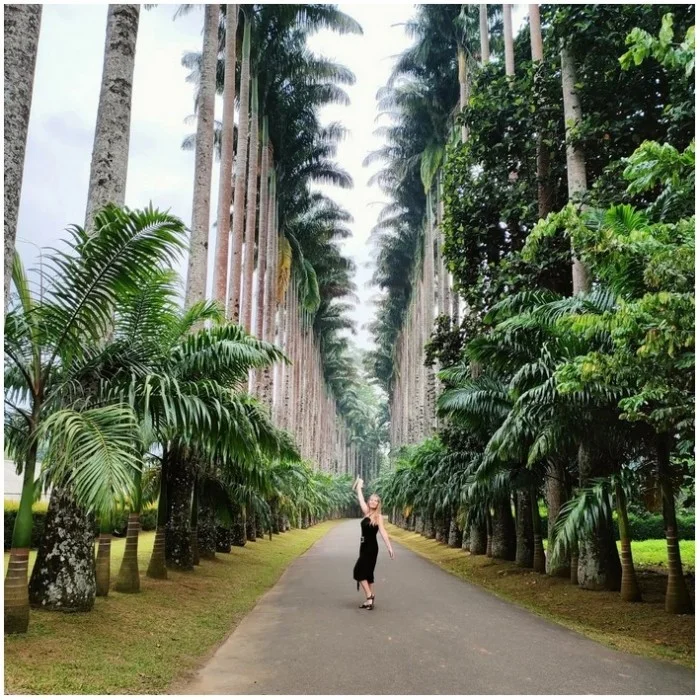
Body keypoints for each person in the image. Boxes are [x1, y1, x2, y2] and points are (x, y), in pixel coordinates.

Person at [352, 477, 394, 610]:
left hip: (371, 548)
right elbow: (360, 498)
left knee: (358, 572)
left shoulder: (378, 517)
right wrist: (359, 486)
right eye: (371, 500)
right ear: (369, 501)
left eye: (376, 501)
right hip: (363, 546)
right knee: (368, 574)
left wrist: (389, 548)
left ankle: (370, 596)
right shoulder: (366, 512)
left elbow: (383, 532)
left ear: (378, 504)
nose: (373, 502)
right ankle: (369, 600)